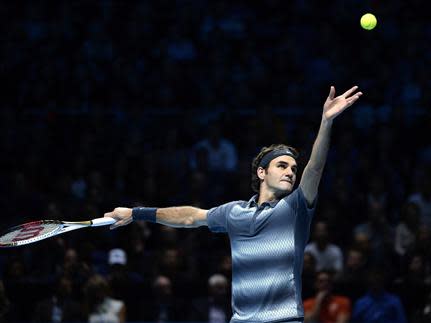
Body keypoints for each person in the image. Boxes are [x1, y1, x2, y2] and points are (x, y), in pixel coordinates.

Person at [105, 86, 363, 322]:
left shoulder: (294, 210)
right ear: (262, 172)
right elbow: (189, 217)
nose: (291, 172)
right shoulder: (234, 212)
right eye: (282, 165)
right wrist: (135, 213)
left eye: (294, 168)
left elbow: (315, 168)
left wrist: (326, 122)